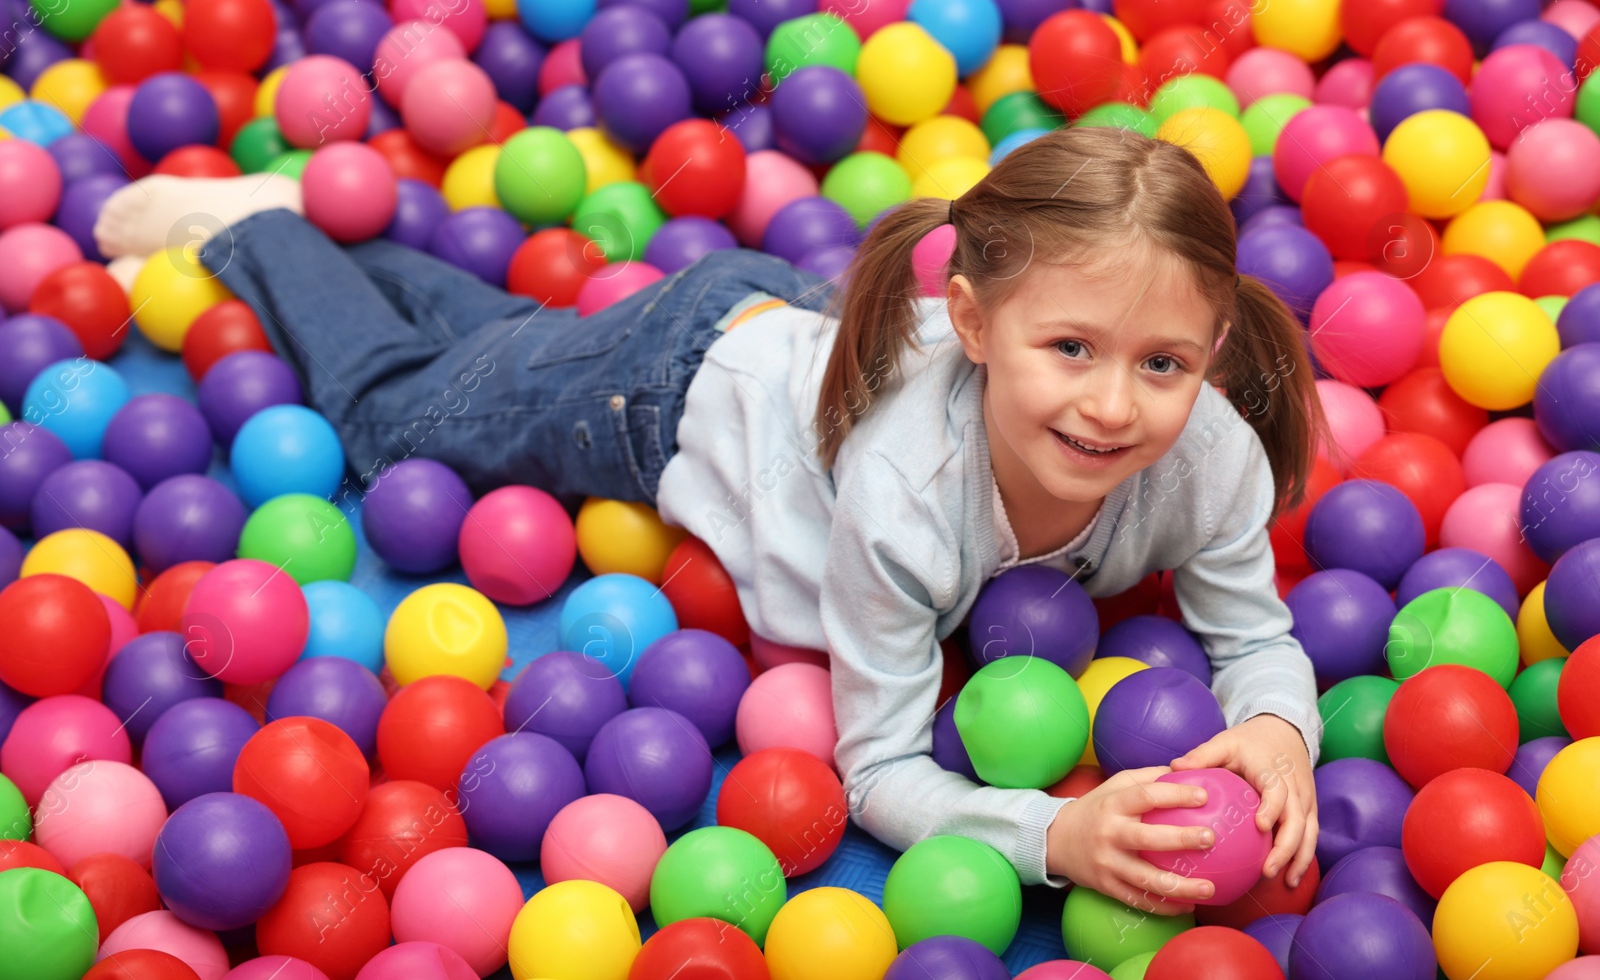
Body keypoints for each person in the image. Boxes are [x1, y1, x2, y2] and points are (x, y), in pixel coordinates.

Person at [94, 124, 1325, 912]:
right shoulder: (905, 493)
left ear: (1210, 351)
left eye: (1162, 363)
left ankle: (350, 252)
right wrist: (1056, 830)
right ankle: (255, 229)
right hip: (674, 382)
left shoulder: (1209, 456)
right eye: (1070, 348)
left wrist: (1277, 731)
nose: (1114, 405)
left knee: (499, 355)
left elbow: (1256, 636)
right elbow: (882, 767)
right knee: (394, 421)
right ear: (974, 324)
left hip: (788, 339)